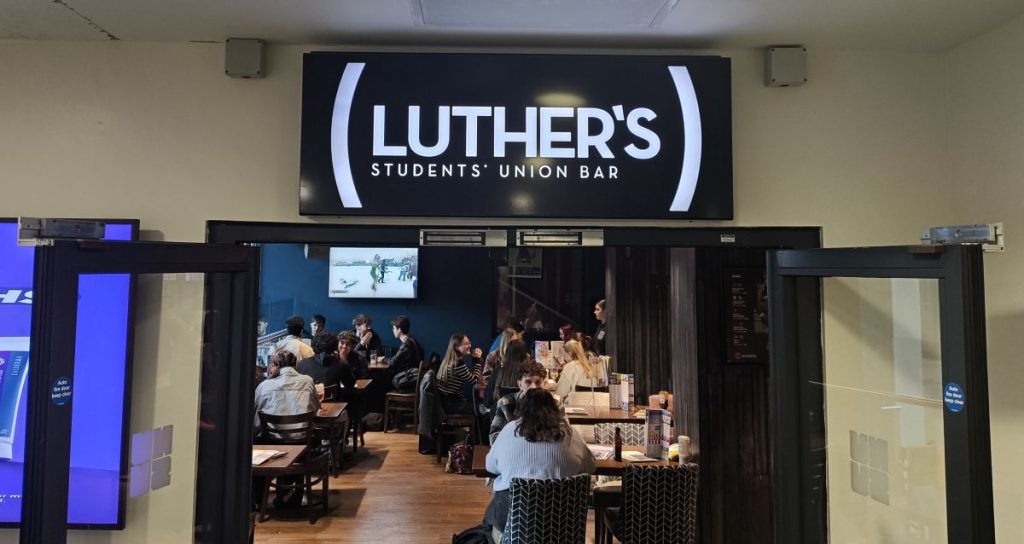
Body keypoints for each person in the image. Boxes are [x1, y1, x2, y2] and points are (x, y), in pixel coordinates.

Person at [484, 389, 596, 541]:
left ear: (522, 410)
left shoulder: (509, 430)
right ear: (554, 409)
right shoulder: (571, 434)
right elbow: (590, 466)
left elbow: (490, 466)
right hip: (564, 521)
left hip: (517, 515)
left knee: (491, 516)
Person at [253, 350, 320, 510]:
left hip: (272, 446)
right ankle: (291, 494)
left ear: (275, 366)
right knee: (305, 439)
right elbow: (316, 409)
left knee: (257, 441)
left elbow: (255, 414)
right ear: (295, 364)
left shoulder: (264, 386)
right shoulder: (308, 381)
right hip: (303, 445)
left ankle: (259, 500)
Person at [488, 362, 546, 445]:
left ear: (544, 384)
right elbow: (493, 438)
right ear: (519, 384)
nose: (534, 387)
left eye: (538, 382)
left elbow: (565, 435)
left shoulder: (556, 404)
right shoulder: (505, 403)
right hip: (514, 452)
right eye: (528, 382)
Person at [297, 331, 356, 398]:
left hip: (308, 404)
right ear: (334, 346)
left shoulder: (301, 365)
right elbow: (351, 384)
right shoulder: (340, 364)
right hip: (335, 405)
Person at [436, 333, 483, 416]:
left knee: (480, 408)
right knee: (483, 409)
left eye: (469, 343)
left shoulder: (450, 360)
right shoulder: (458, 363)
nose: (469, 346)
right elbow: (475, 381)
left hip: (445, 403)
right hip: (452, 405)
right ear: (456, 347)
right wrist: (476, 360)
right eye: (466, 344)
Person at [485, 339, 531, 409]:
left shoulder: (498, 370)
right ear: (525, 354)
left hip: (500, 413)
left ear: (507, 353)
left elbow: (488, 400)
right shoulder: (528, 371)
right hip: (523, 413)